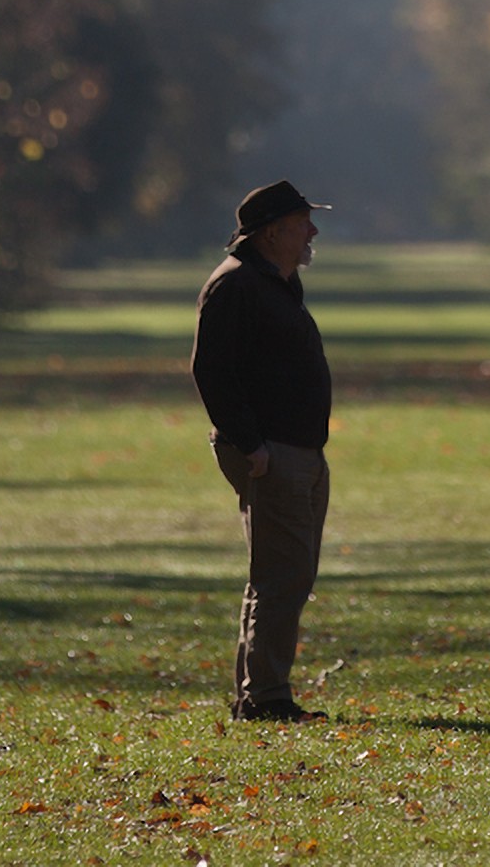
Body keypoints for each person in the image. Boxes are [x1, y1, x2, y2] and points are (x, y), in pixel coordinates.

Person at [190, 179, 335, 723]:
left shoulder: (274, 281)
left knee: (283, 572)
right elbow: (211, 371)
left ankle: (258, 693)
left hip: (296, 451)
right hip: (272, 453)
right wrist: (251, 446)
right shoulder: (237, 286)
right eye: (302, 223)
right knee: (282, 575)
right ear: (272, 232)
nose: (313, 231)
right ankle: (267, 699)